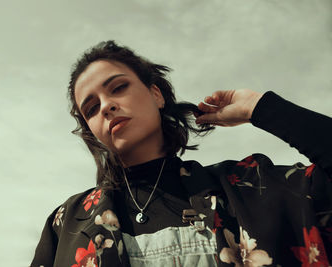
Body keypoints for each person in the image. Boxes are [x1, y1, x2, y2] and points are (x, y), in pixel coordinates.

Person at [30, 41, 332, 267]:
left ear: (156, 94)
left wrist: (261, 108)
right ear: (91, 129)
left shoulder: (252, 185)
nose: (106, 106)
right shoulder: (66, 224)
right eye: (91, 108)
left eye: (118, 87)